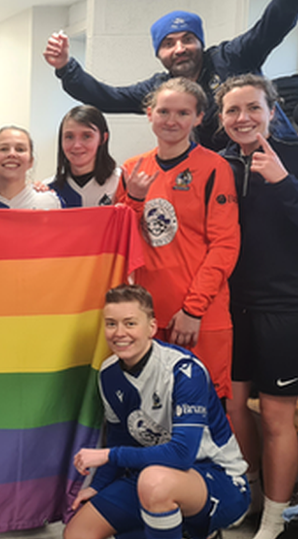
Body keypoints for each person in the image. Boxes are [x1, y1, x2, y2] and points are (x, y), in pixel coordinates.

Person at [42, 0, 298, 151]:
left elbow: (273, 26)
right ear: (159, 54)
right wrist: (66, 67)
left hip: (278, 157)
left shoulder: (233, 58)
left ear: (200, 44)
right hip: (224, 176)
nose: (180, 48)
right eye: (169, 44)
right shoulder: (161, 89)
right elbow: (106, 97)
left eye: (188, 39)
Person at [64, 284, 249, 539]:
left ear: (151, 327)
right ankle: (185, 532)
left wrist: (107, 455)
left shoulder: (184, 371)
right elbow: (120, 437)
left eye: (130, 323)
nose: (119, 333)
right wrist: (98, 486)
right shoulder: (108, 373)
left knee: (155, 483)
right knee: (78, 533)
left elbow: (182, 455)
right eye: (111, 324)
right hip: (151, 475)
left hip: (217, 480)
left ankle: (194, 528)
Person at [215, 74, 298, 539]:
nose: (243, 118)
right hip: (230, 306)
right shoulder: (218, 165)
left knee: (275, 415)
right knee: (234, 408)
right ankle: (248, 496)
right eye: (233, 111)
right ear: (221, 119)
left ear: (272, 111)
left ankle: (274, 518)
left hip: (285, 306)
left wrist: (285, 182)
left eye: (253, 108)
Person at [115, 77, 239, 400]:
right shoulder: (133, 169)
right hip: (149, 316)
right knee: (153, 410)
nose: (172, 120)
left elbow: (225, 245)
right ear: (149, 113)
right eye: (164, 111)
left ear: (198, 117)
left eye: (183, 113)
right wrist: (135, 198)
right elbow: (120, 238)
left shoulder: (215, 168)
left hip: (200, 317)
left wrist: (194, 310)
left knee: (204, 415)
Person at [0, 126, 64, 210]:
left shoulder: (52, 203)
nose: (12, 154)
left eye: (20, 149)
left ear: (30, 161)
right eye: (4, 149)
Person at [48, 105, 120, 207]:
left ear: (103, 138)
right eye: (69, 137)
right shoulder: (49, 189)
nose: (77, 145)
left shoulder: (119, 183)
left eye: (87, 136)